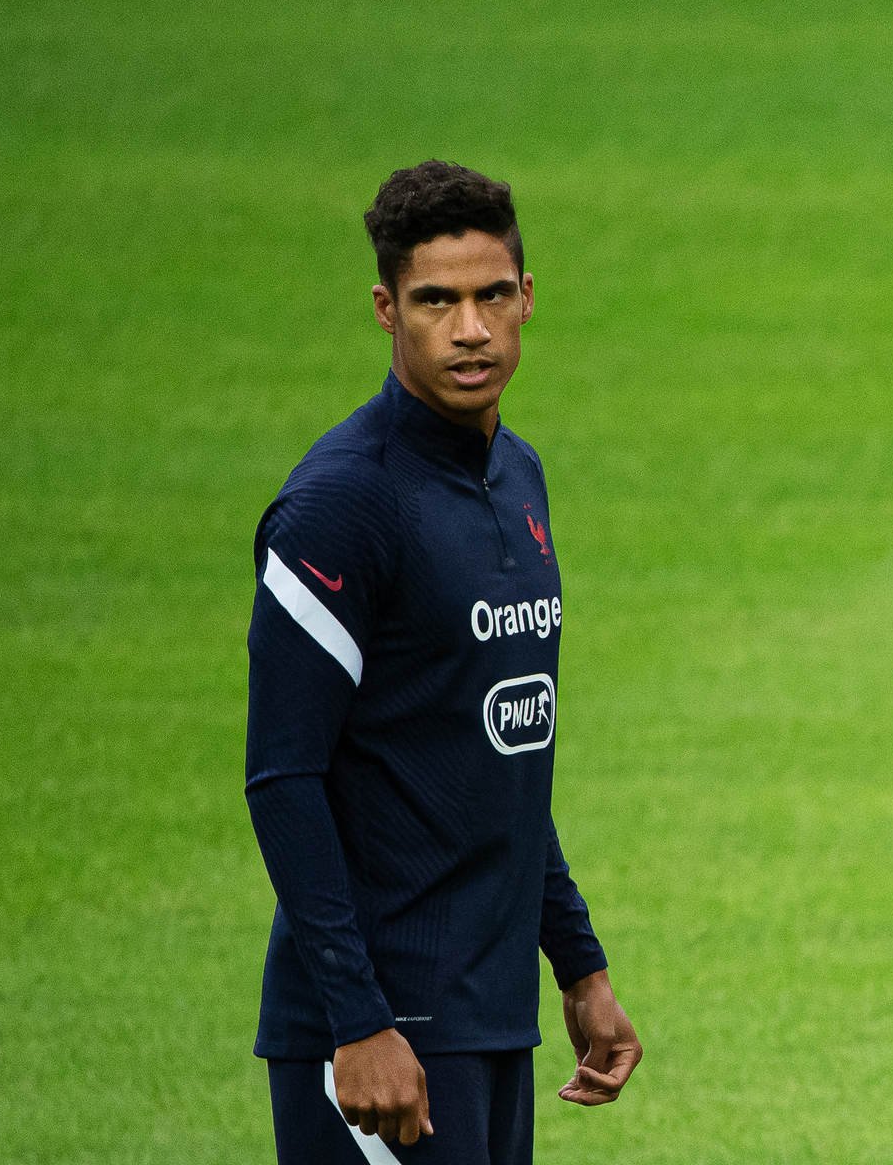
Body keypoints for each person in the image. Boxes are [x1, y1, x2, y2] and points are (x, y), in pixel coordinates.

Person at [245, 161, 640, 1163]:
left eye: (491, 296)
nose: (470, 329)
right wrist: (357, 1020)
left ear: (527, 297)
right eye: (436, 301)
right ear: (387, 309)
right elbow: (283, 776)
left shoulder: (517, 476)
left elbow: (498, 758)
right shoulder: (341, 505)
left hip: (490, 1017)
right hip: (383, 1037)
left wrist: (579, 966)